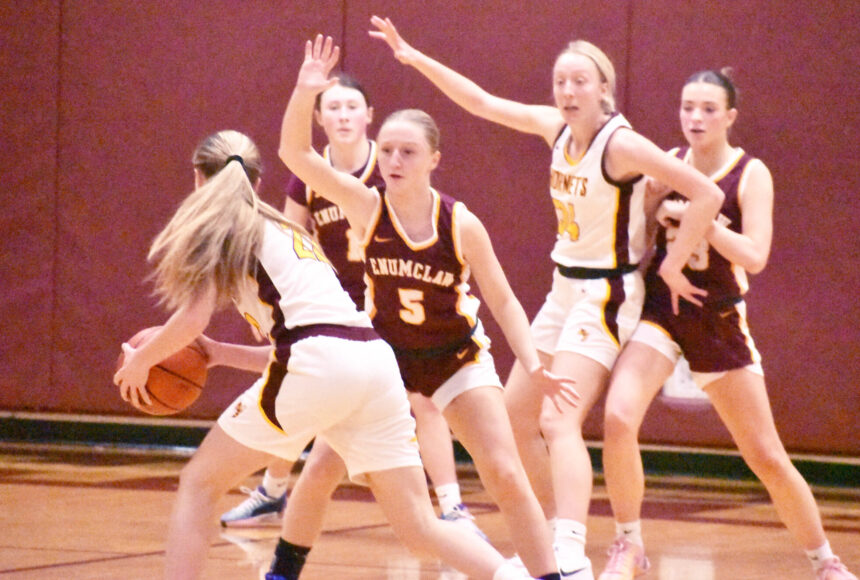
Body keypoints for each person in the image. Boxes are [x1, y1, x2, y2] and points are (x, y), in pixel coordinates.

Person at [369, 17, 725, 579]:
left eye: (580, 81)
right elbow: (481, 101)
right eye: (561, 81)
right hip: (564, 288)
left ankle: (571, 543)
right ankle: (552, 534)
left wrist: (673, 262)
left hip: (607, 292)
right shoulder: (552, 128)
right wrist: (414, 57)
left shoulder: (623, 145)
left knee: (560, 421)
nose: (567, 91)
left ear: (604, 88)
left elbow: (705, 191)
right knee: (515, 416)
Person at [113, 129, 532, 580]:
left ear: (198, 179)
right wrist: (216, 354)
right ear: (256, 182)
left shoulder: (223, 227)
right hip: (372, 362)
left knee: (199, 482)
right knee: (419, 526)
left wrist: (141, 361)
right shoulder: (283, 228)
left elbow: (194, 318)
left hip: (317, 363)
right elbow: (302, 346)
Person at [279, 35, 582, 580]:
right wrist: (305, 93)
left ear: (434, 160)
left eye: (408, 152)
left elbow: (505, 300)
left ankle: (549, 577)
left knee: (505, 474)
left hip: (455, 359)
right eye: (388, 150)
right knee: (323, 464)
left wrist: (534, 363)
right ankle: (281, 571)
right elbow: (294, 155)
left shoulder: (460, 223)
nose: (393, 160)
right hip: (386, 364)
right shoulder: (364, 205)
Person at [598, 70, 857, 580]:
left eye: (708, 109)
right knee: (618, 417)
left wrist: (706, 220)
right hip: (663, 312)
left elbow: (755, 256)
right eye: (687, 106)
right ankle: (628, 543)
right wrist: (650, 206)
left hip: (717, 320)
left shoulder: (750, 173)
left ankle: (824, 561)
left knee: (765, 455)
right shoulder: (668, 163)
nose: (695, 117)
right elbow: (640, 237)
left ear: (729, 117)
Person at [220, 74, 483, 539]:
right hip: (334, 309)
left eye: (351, 107)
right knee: (294, 389)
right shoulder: (310, 175)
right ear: (318, 118)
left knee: (422, 401)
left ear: (369, 117)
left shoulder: (388, 170)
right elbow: (289, 237)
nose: (342, 116)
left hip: (390, 303)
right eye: (333, 108)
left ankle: (452, 505)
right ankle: (274, 487)